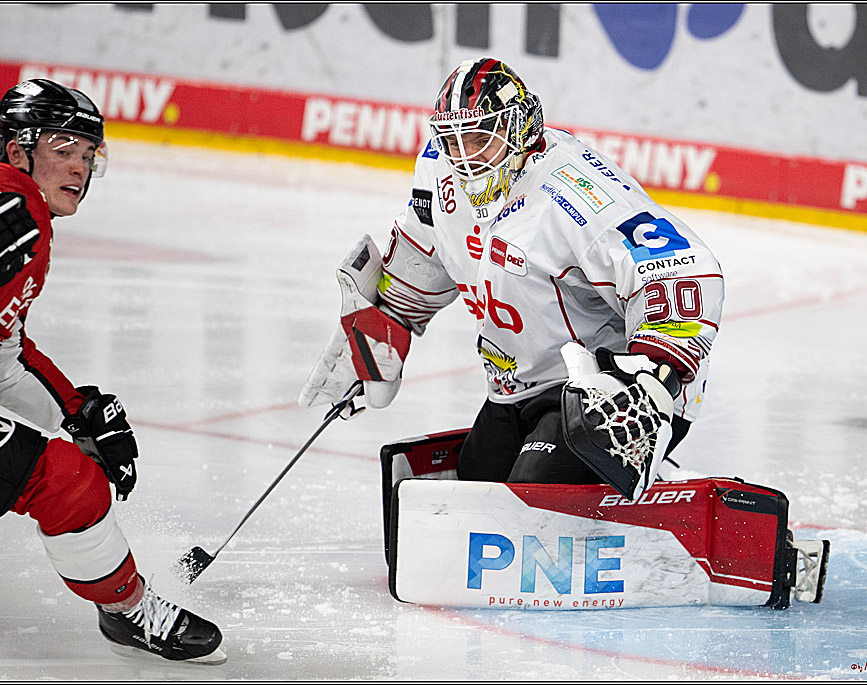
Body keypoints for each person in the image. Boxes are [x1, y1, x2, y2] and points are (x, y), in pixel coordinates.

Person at [0, 79, 226, 665]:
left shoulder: (20, 216)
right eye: (63, 148)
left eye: (87, 154)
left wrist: (73, 411)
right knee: (66, 482)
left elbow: (2, 352)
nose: (79, 167)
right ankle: (130, 613)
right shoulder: (5, 196)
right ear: (20, 149)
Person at [300, 58, 724, 500]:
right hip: (516, 387)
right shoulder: (438, 171)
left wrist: (655, 378)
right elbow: (423, 253)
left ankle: (651, 476)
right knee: (472, 495)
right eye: (453, 141)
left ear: (520, 129)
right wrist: (386, 324)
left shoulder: (573, 192)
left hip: (612, 397)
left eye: (480, 139)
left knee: (530, 501)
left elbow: (685, 269)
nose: (465, 159)